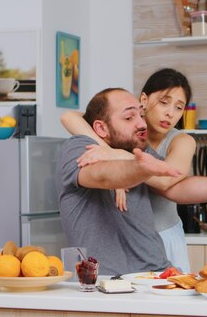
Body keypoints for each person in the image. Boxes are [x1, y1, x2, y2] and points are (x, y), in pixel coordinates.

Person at [56, 88, 207, 275]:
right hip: (106, 283)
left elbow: (176, 186)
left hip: (158, 274)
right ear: (100, 128)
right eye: (129, 117)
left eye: (140, 114)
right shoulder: (77, 148)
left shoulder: (136, 150)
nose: (142, 124)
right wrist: (135, 167)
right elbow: (101, 175)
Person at [60, 68, 196, 272]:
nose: (170, 113)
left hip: (165, 236)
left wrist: (120, 158)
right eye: (164, 102)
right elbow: (70, 116)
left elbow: (166, 180)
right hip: (130, 242)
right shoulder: (123, 134)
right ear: (144, 100)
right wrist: (117, 169)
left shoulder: (181, 141)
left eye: (179, 107)